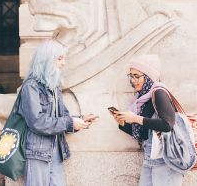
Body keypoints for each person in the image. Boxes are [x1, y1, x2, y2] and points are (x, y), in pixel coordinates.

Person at [18, 39, 98, 186]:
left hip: (56, 150)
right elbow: (37, 122)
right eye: (59, 58)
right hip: (37, 153)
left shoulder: (54, 86)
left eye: (64, 59)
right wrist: (70, 122)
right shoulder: (31, 87)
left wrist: (79, 120)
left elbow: (62, 118)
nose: (63, 63)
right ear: (46, 60)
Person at [110, 54, 184, 186]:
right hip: (151, 158)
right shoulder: (143, 98)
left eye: (137, 76)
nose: (133, 80)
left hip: (165, 160)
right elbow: (144, 133)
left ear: (148, 76)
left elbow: (167, 124)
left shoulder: (158, 92)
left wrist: (135, 118)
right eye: (131, 76)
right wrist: (123, 124)